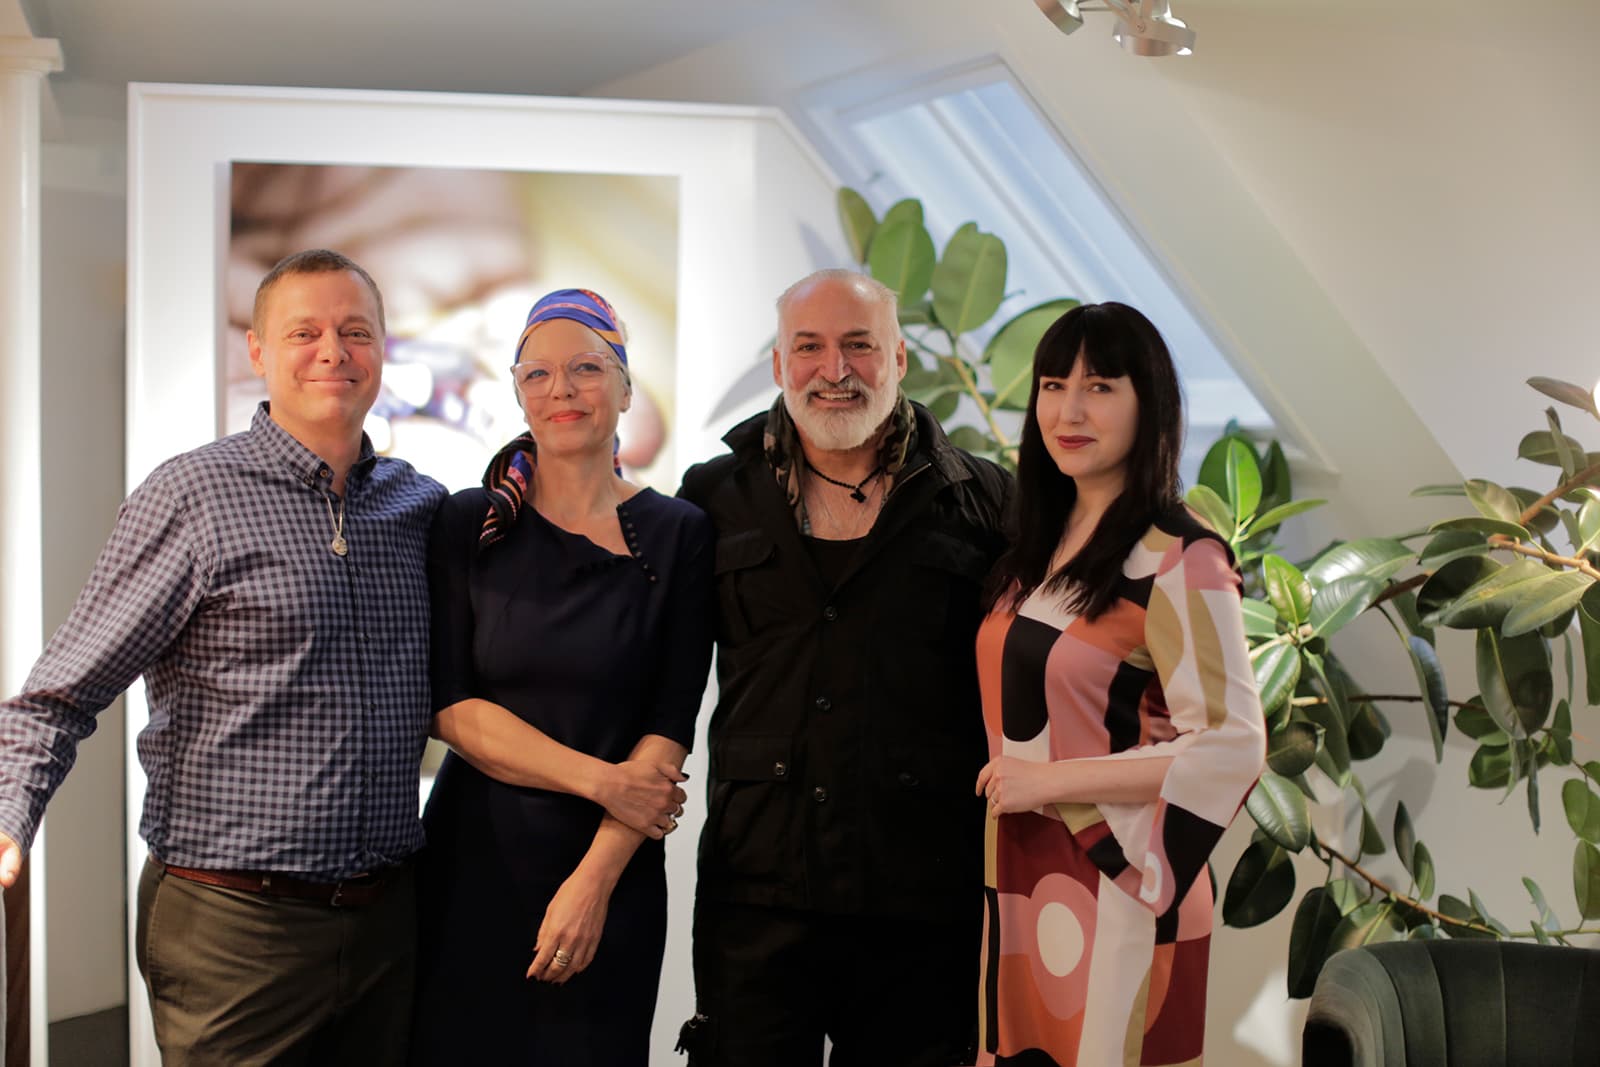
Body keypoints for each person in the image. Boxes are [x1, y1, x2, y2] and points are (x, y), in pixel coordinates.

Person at [0, 249, 446, 1063]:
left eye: (356, 331)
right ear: (257, 350)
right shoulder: (192, 498)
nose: (333, 352)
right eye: (304, 332)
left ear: (384, 348)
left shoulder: (419, 506)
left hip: (387, 919)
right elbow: (58, 693)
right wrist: (9, 816)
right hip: (235, 926)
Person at [676, 269, 1011, 1066]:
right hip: (755, 897)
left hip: (921, 905)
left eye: (859, 345)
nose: (835, 369)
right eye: (810, 347)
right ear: (779, 366)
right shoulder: (713, 496)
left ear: (897, 357)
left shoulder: (987, 502)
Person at [412, 289, 714, 1063]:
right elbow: (452, 707)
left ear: (624, 386)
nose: (562, 391)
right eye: (538, 374)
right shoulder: (469, 521)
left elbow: (668, 723)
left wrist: (592, 883)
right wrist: (604, 782)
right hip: (472, 869)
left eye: (586, 368)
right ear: (516, 391)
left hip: (611, 876)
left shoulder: (680, 533)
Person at [972, 302, 1266, 1066]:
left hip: (1121, 878)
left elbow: (1233, 743)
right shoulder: (1038, 542)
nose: (1068, 410)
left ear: (1150, 403)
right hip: (1025, 875)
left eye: (1100, 386)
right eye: (1051, 384)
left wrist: (1050, 781)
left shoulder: (1182, 558)